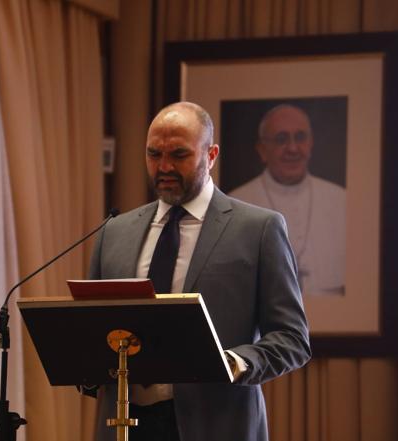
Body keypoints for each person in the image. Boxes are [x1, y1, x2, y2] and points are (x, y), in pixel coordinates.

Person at [86, 102, 310, 441]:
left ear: (211, 154)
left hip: (217, 424)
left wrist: (234, 362)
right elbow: (93, 327)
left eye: (178, 154)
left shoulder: (259, 229)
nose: (164, 167)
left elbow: (292, 339)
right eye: (153, 154)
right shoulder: (113, 231)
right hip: (124, 425)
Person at [229, 104, 346, 295]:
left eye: (300, 137)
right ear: (262, 150)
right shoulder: (235, 202)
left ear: (311, 143)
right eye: (281, 139)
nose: (292, 148)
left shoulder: (340, 199)